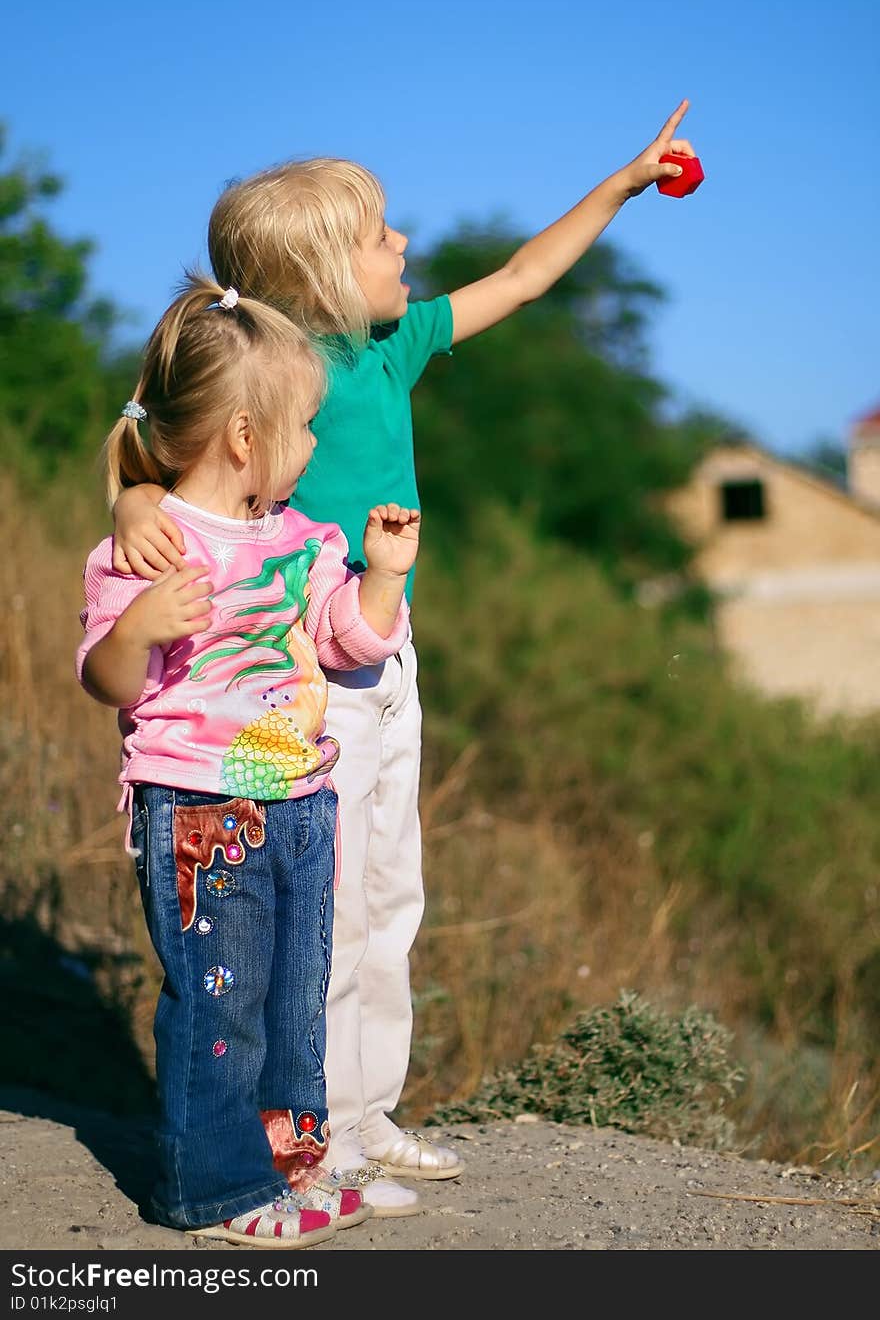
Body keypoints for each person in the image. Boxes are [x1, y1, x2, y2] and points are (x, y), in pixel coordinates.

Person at [111, 100, 697, 1214]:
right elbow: (156, 438)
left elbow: (523, 278)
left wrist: (619, 189)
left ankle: (366, 1115)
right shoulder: (270, 373)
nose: (404, 245)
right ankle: (306, 1143)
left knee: (389, 900)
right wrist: (141, 493)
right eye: (380, 233)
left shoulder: (392, 345)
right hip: (299, 684)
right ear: (326, 273)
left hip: (389, 660)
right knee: (316, 916)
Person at [77, 275, 421, 1244]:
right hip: (197, 808)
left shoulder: (305, 539)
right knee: (220, 1009)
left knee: (292, 1005)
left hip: (301, 803)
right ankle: (214, 1190)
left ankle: (288, 1169)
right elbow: (106, 679)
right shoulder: (147, 547)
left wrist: (383, 581)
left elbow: (347, 641)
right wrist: (139, 627)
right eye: (304, 426)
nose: (314, 445)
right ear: (242, 437)